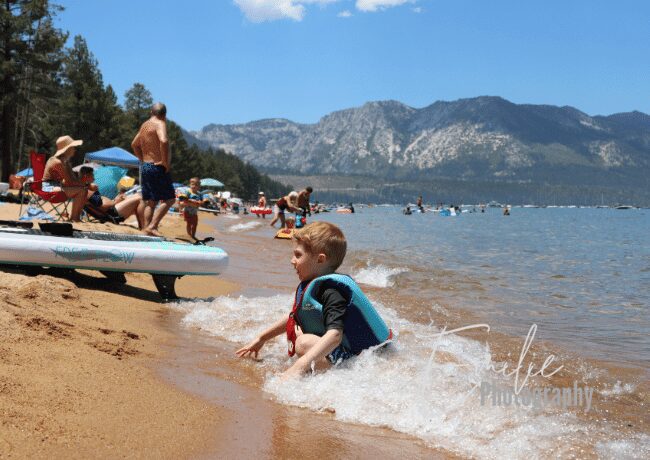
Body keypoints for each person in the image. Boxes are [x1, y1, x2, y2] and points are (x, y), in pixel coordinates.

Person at [236, 222, 391, 378]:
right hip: (351, 353)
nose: (292, 260)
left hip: (366, 361)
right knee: (299, 332)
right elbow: (295, 315)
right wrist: (261, 338)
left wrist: (299, 366)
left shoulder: (332, 291)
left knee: (303, 342)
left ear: (320, 259)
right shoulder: (316, 286)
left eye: (298, 255)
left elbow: (335, 335)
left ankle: (327, 370)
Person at [131, 102, 175, 236]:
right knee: (170, 199)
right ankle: (153, 226)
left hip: (146, 166)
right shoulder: (160, 123)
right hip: (157, 166)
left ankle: (146, 230)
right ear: (165, 115)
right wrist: (165, 162)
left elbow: (134, 144)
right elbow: (164, 141)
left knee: (150, 202)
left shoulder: (145, 125)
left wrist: (142, 159)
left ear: (151, 112)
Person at [42, 135, 88, 222]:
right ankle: (74, 218)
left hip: (56, 186)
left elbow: (72, 179)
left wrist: (84, 184)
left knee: (84, 190)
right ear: (67, 149)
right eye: (72, 147)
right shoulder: (57, 162)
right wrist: (84, 184)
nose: (74, 149)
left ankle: (76, 217)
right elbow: (69, 182)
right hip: (48, 189)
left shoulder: (65, 162)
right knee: (82, 190)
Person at [79, 167, 144, 228]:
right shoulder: (87, 191)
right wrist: (115, 201)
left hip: (110, 210)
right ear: (86, 177)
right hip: (112, 214)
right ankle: (144, 227)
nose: (94, 178)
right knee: (139, 198)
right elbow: (102, 206)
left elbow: (96, 205)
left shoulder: (85, 189)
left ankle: (142, 226)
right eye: (92, 175)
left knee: (136, 196)